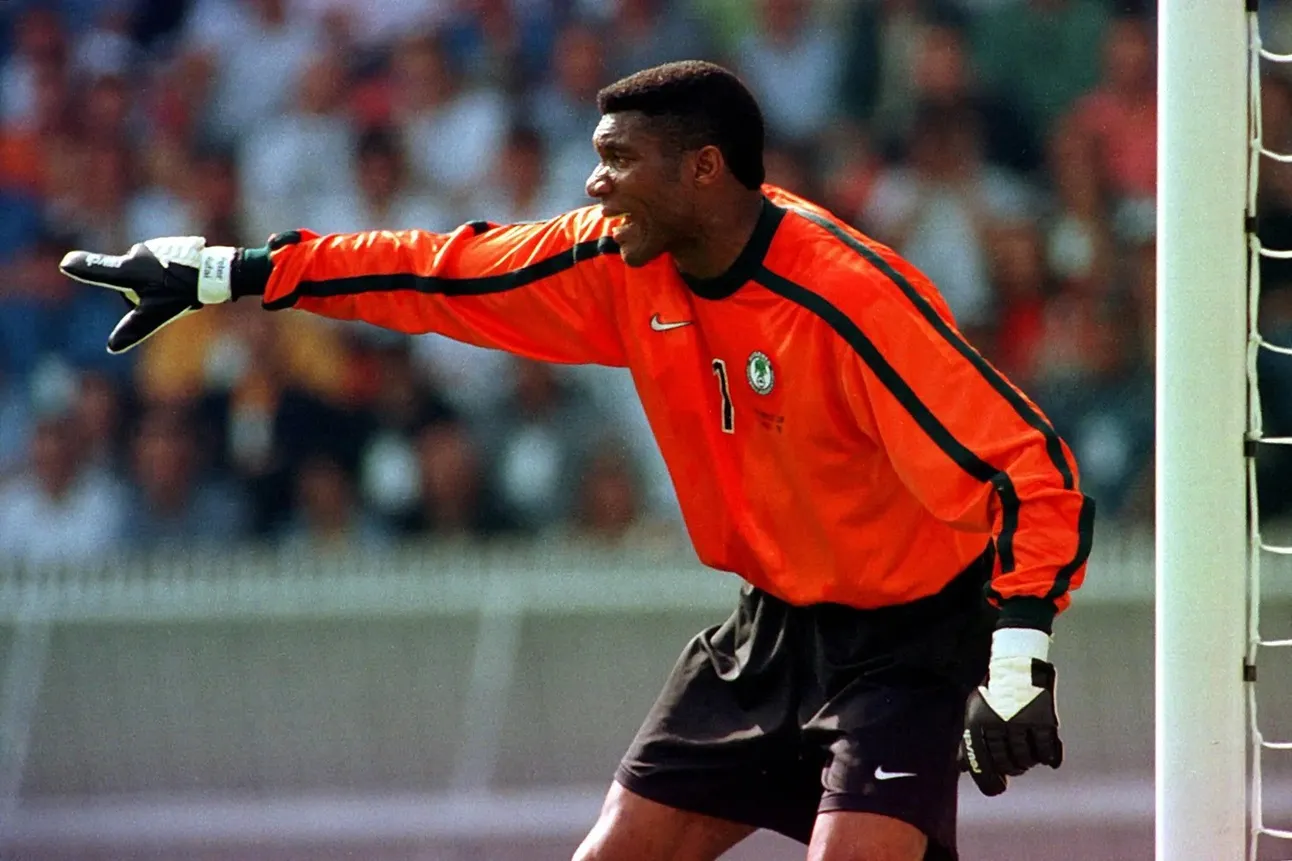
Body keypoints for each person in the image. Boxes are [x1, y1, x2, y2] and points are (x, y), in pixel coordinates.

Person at [58, 61, 1093, 861]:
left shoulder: (847, 297)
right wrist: (230, 271)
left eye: (618, 161)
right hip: (765, 630)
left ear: (703, 169)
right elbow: (436, 270)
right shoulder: (614, 259)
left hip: (906, 643)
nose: (595, 184)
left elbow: (1028, 469)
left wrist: (1016, 658)